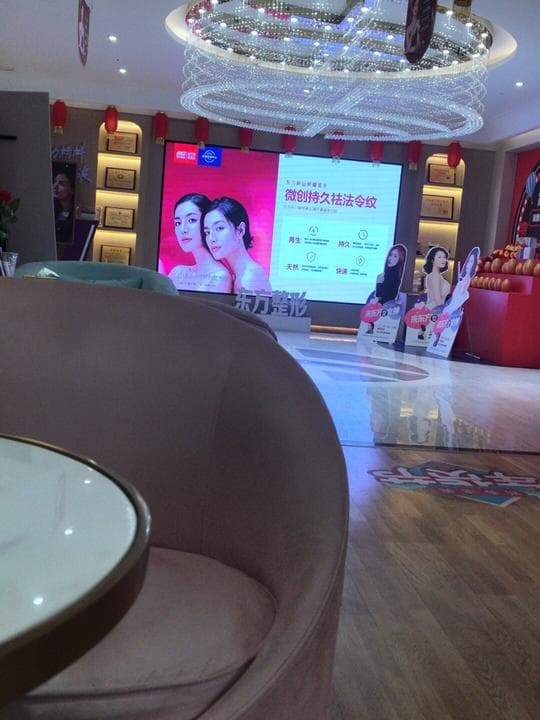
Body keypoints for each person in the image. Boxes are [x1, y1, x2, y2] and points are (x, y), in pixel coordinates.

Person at [203, 197, 271, 293]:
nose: (211, 238)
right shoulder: (238, 275)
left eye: (219, 228)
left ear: (240, 230)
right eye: (207, 232)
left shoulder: (249, 279)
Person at [168, 193, 232, 293]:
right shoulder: (177, 273)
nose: (183, 229)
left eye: (191, 220)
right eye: (178, 223)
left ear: (207, 221)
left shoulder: (220, 277)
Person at [366, 244, 406, 334]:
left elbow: (386, 295)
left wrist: (379, 283)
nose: (390, 258)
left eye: (395, 256)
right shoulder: (388, 274)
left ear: (400, 259)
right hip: (383, 308)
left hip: (385, 308)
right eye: (390, 255)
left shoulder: (393, 276)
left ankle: (371, 328)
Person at [53, 165, 76, 245]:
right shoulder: (48, 210)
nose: (55, 186)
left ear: (72, 189)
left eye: (61, 184)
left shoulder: (74, 213)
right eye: (54, 182)